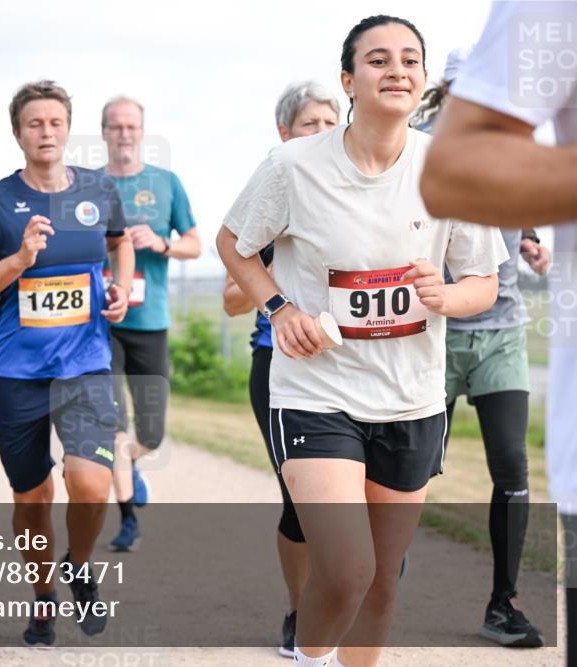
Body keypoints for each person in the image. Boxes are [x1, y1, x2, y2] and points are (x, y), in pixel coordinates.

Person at [217, 15, 508, 667]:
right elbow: (233, 245)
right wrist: (279, 307)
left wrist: (446, 294)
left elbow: (482, 282)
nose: (396, 70)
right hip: (316, 392)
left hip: (410, 399)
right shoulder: (292, 166)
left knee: (382, 582)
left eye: (410, 59)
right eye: (378, 60)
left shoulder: (448, 169)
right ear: (348, 80)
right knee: (347, 568)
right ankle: (311, 656)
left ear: (424, 78)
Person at [419, 1, 577, 660]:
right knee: (412, 471)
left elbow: (520, 199)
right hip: (433, 331)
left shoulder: (512, 140)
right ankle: (377, 585)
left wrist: (537, 242)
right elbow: (457, 182)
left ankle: (503, 602)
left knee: (512, 464)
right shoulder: (422, 142)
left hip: (503, 329)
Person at [0, 80, 132, 647]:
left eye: (55, 122)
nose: (46, 132)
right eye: (34, 123)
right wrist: (19, 259)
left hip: (84, 362)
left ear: (67, 128)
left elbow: (120, 240)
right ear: (18, 134)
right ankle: (41, 601)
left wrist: (122, 288)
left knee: (90, 483)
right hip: (15, 372)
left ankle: (79, 565)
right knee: (32, 499)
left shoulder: (99, 189)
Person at [222, 80, 339, 658]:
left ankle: (340, 601)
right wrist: (271, 292)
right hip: (280, 365)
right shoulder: (270, 196)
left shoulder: (354, 192)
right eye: (310, 123)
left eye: (330, 121)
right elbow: (229, 298)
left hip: (353, 364)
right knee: (302, 502)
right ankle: (301, 611)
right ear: (284, 134)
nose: (322, 131)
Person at [98, 95, 201, 553]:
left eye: (131, 126)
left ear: (142, 132)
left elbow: (195, 244)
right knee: (114, 426)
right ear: (103, 132)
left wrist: (161, 243)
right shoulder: (88, 184)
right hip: (100, 322)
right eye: (115, 126)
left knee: (150, 434)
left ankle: (133, 465)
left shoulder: (165, 183)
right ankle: (128, 521)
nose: (124, 133)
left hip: (150, 320)